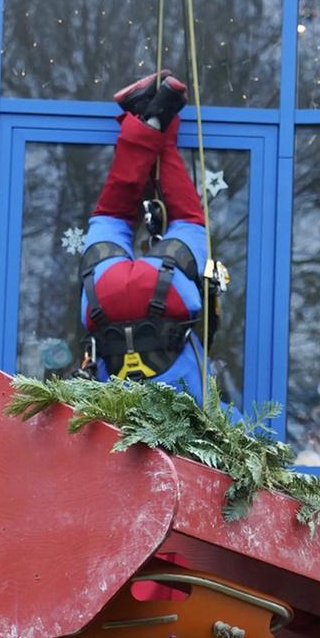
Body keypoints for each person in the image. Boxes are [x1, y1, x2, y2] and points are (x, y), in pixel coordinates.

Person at [76, 70, 214, 397]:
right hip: (103, 296)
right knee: (112, 215)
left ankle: (153, 119)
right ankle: (146, 119)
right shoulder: (113, 432)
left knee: (189, 219)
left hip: (165, 289)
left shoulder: (189, 418)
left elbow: (228, 422)